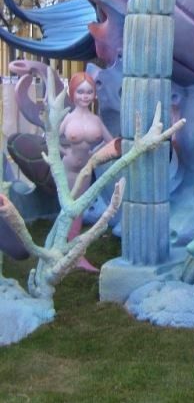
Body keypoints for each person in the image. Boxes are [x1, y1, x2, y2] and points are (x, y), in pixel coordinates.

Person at [59, 72, 117, 270]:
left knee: (79, 211)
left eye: (89, 92)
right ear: (72, 93)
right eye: (80, 92)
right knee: (67, 208)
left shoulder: (96, 120)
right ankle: (60, 250)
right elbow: (50, 139)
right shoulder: (67, 118)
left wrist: (95, 153)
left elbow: (111, 142)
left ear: (94, 94)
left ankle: (76, 255)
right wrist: (65, 151)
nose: (85, 96)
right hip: (68, 169)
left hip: (85, 170)